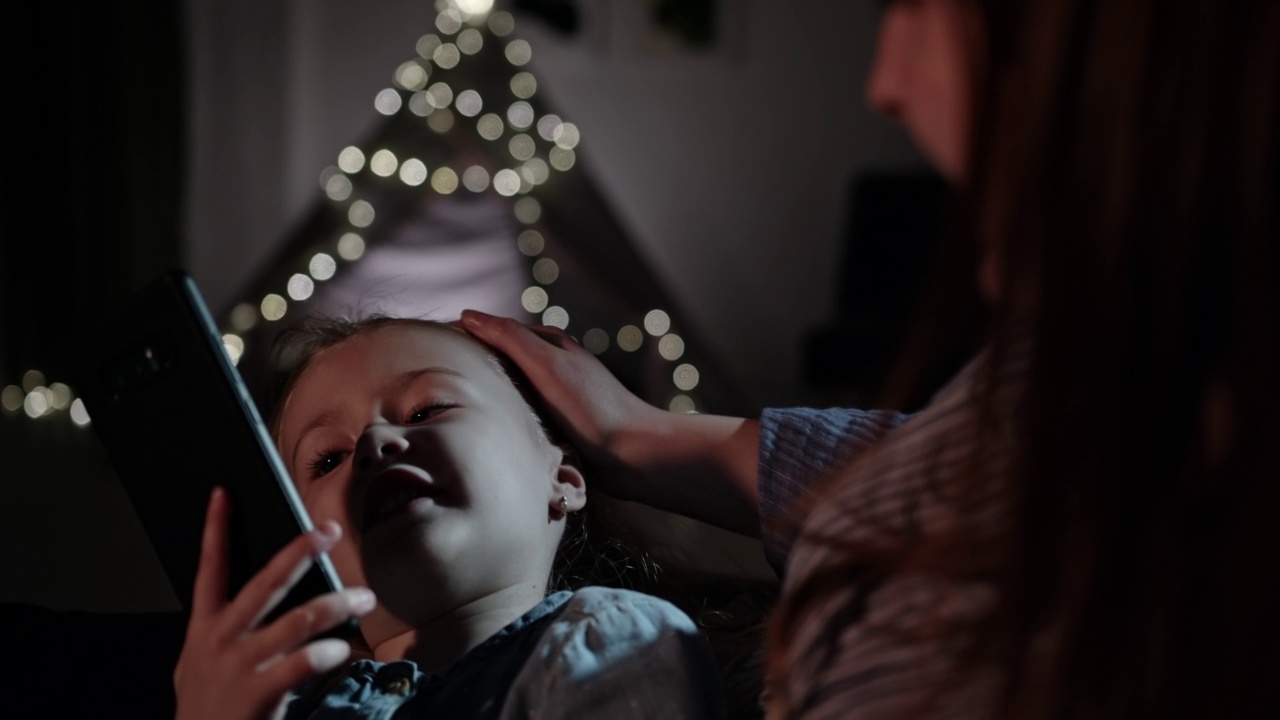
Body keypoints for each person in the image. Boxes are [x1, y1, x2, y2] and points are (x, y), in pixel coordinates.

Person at [459, 0, 1280, 717]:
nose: (883, 85)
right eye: (324, 454)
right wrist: (644, 436)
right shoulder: (1103, 377)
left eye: (915, 1)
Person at [171, 318, 725, 719]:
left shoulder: (608, 642)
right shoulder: (278, 704)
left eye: (427, 410)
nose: (374, 443)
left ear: (563, 477)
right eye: (328, 460)